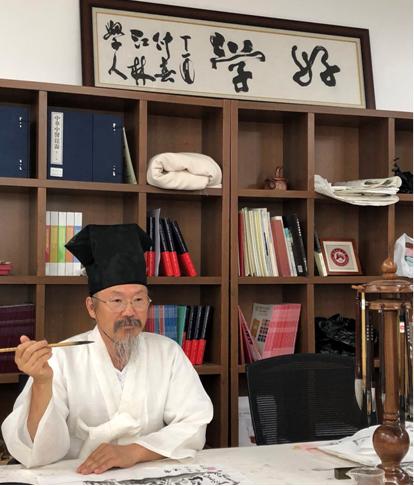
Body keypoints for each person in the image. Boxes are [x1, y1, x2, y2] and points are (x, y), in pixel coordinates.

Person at [1, 224, 213, 474]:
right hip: (80, 476)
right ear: (92, 307)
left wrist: (133, 452)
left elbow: (194, 424)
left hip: (148, 473)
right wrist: (41, 383)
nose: (129, 311)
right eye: (117, 300)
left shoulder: (168, 353)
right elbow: (37, 451)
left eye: (138, 299)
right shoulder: (62, 359)